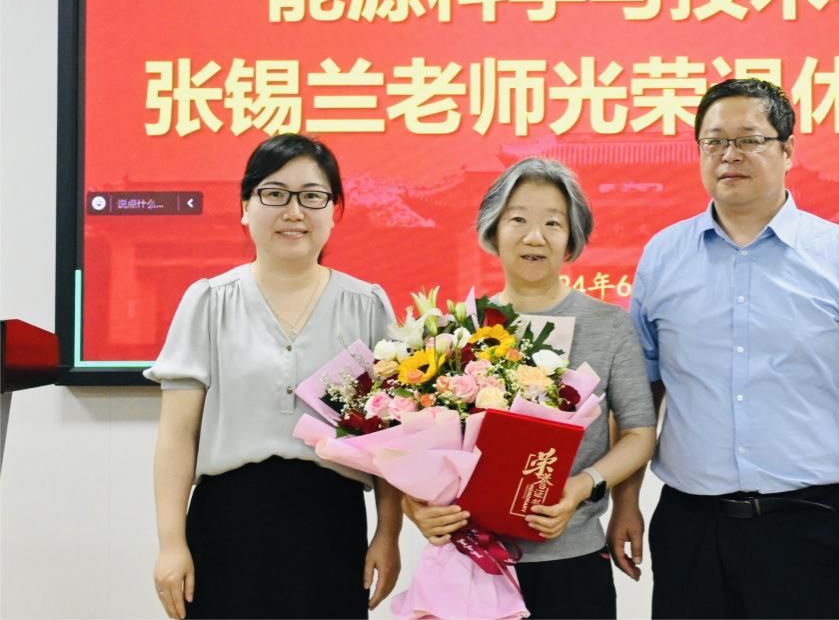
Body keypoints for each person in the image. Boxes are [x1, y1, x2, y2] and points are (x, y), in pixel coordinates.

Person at [609, 78, 839, 620]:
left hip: (814, 524)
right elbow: (641, 394)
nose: (729, 154)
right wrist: (625, 501)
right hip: (692, 525)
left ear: (787, 150)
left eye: (749, 139)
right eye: (714, 141)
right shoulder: (663, 255)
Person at [147, 133, 402, 620]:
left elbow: (390, 439)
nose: (294, 211)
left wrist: (388, 534)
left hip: (332, 525)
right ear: (246, 206)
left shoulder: (366, 305)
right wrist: (170, 544)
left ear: (335, 211)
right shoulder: (209, 301)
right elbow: (177, 435)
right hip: (227, 523)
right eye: (275, 194)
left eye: (312, 196)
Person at [404, 158, 657, 620]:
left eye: (553, 223)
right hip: (471, 563)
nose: (534, 236)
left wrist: (582, 486)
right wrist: (415, 506)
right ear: (493, 230)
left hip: (573, 561)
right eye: (518, 219)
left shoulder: (609, 325)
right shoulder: (459, 330)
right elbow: (417, 447)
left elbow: (640, 432)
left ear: (572, 238)